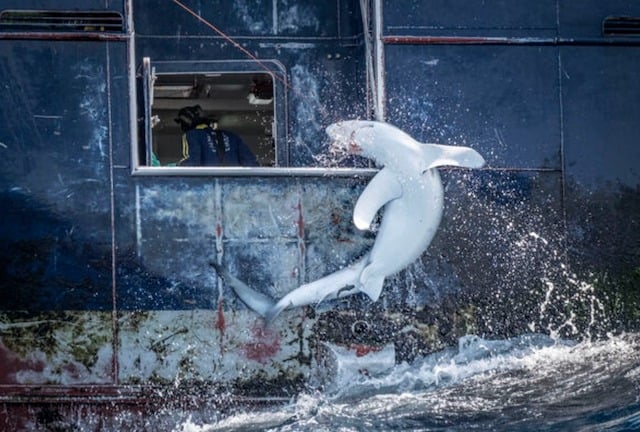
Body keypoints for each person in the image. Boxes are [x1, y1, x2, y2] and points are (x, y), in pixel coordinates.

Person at [174, 105, 259, 167]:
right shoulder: (232, 136)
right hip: (234, 187)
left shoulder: (192, 135)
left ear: (186, 124)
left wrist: (175, 167)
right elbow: (252, 163)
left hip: (208, 186)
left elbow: (192, 162)